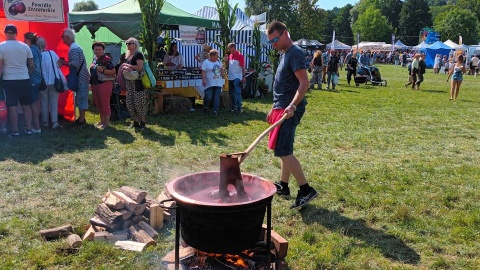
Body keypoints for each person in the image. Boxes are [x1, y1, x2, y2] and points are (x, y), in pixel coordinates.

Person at [266, 21, 318, 209]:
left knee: (283, 150)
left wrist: (292, 106)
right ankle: (283, 185)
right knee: (284, 150)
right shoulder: (285, 53)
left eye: (276, 39)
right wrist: (275, 107)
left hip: (290, 109)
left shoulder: (294, 53)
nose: (274, 44)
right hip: (282, 108)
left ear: (286, 33)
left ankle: (306, 190)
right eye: (271, 41)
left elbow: (304, 83)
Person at [0, 24, 35, 137]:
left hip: (9, 80)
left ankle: (15, 131)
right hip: (24, 79)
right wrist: (26, 74)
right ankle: (29, 129)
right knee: (26, 106)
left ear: (5, 33)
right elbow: (31, 66)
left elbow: (0, 67)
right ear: (16, 33)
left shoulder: (1, 46)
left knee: (12, 106)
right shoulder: (25, 46)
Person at [61, 28, 89, 125]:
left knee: (81, 97)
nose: (62, 39)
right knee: (81, 96)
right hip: (82, 75)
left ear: (67, 37)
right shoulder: (75, 47)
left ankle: (81, 120)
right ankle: (81, 118)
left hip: (81, 76)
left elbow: (75, 64)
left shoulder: (73, 48)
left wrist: (64, 63)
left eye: (63, 37)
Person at [122, 37, 148, 129]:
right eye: (127, 43)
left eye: (130, 43)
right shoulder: (128, 55)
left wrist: (127, 66)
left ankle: (143, 122)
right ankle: (135, 121)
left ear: (135, 44)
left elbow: (140, 67)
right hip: (129, 82)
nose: (128, 45)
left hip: (138, 82)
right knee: (130, 102)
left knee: (139, 102)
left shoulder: (138, 54)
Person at [38, 37, 63, 129]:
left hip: (42, 82)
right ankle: (54, 122)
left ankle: (44, 122)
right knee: (54, 102)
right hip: (54, 80)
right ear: (45, 44)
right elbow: (59, 64)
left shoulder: (37, 55)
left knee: (43, 102)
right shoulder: (52, 53)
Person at [90, 42, 115, 129]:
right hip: (95, 83)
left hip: (105, 83)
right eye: (96, 49)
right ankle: (102, 121)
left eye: (99, 50)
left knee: (104, 103)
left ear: (103, 50)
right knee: (98, 103)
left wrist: (103, 71)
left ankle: (106, 123)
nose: (98, 51)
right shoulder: (95, 59)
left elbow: (113, 71)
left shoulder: (106, 59)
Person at [23, 32, 42, 133]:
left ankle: (36, 127)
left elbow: (30, 66)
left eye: (24, 39)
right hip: (38, 79)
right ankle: (36, 126)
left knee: (32, 104)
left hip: (32, 80)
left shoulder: (30, 50)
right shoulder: (37, 49)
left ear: (28, 40)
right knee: (36, 103)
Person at [201, 49, 224, 115]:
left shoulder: (219, 61)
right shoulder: (206, 62)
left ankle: (215, 111)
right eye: (217, 55)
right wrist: (204, 79)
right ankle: (206, 106)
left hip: (218, 82)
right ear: (212, 56)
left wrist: (222, 73)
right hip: (209, 82)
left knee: (216, 97)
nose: (218, 57)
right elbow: (203, 71)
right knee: (208, 97)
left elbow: (221, 68)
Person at [227, 43, 245, 113]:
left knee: (237, 92)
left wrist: (243, 76)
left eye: (229, 48)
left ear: (233, 48)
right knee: (231, 93)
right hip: (231, 77)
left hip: (237, 77)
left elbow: (243, 66)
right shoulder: (230, 55)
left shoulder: (240, 55)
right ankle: (233, 107)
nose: (228, 50)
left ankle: (239, 107)